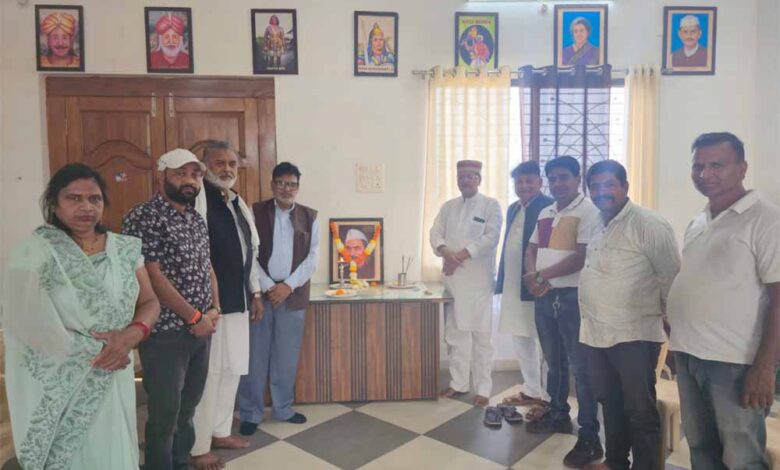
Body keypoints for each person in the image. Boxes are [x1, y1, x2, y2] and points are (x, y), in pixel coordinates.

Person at [2, 163, 159, 469]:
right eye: (74, 198)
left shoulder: (125, 250)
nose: (86, 207)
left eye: (94, 199)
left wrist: (131, 336)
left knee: (113, 448)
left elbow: (150, 301)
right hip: (65, 381)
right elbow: (24, 325)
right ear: (54, 204)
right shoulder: (33, 253)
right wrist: (99, 351)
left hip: (115, 370)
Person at [667, 132, 780, 469]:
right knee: (701, 447)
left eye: (717, 165)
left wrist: (765, 367)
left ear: (742, 168)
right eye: (698, 166)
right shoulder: (699, 220)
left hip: (734, 361)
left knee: (742, 457)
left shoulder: (766, 219)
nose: (705, 174)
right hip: (689, 353)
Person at [578, 161, 681, 470]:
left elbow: (671, 279)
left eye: (609, 184)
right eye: (595, 186)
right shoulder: (595, 222)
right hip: (595, 333)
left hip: (634, 335)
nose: (601, 192)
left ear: (625, 186)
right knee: (609, 401)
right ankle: (615, 462)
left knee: (639, 409)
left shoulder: (650, 224)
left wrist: (673, 327)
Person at [122, 149, 221, 470]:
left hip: (201, 330)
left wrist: (215, 309)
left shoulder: (195, 218)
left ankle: (181, 463)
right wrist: (194, 316)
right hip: (166, 333)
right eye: (181, 173)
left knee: (188, 408)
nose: (190, 180)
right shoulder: (143, 216)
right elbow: (152, 274)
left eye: (195, 174)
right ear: (161, 175)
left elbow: (207, 266)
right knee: (165, 414)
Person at [523, 156, 603, 468]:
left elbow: (580, 257)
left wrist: (541, 277)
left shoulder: (589, 211)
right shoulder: (546, 212)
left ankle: (590, 436)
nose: (557, 184)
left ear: (577, 178)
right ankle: (558, 414)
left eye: (563, 177)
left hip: (573, 297)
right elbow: (532, 248)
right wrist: (533, 276)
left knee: (581, 369)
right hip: (545, 297)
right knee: (554, 363)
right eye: (552, 179)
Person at [190, 142, 265, 469]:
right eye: (219, 162)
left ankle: (220, 431)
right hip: (211, 305)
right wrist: (208, 304)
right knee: (209, 374)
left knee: (232, 368)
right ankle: (198, 446)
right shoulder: (199, 199)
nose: (227, 168)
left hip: (239, 300)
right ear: (205, 166)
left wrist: (256, 293)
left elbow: (251, 251)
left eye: (232, 163)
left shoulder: (236, 201)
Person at [238, 162, 320, 434]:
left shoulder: (310, 217)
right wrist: (268, 286)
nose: (286, 189)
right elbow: (248, 252)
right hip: (260, 295)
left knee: (286, 356)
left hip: (293, 296)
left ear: (298, 187)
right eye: (281, 183)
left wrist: (287, 286)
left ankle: (283, 408)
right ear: (273, 185)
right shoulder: (255, 211)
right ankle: (251, 413)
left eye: (292, 184)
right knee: (255, 356)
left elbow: (313, 259)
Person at [430, 160, 502, 406]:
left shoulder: (490, 205)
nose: (466, 180)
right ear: (457, 180)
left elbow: (490, 238)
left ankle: (483, 388)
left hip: (479, 283)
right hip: (453, 282)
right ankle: (458, 384)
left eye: (471, 176)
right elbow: (435, 233)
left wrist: (457, 257)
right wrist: (445, 252)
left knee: (482, 338)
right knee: (455, 335)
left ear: (479, 179)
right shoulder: (448, 207)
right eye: (462, 177)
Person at [495, 161, 553, 410]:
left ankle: (550, 398)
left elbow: (550, 250)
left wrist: (540, 280)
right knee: (521, 338)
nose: (524, 185)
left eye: (529, 180)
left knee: (546, 343)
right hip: (513, 285)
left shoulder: (549, 207)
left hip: (538, 287)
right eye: (519, 181)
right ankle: (532, 390)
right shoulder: (513, 209)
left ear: (540, 182)